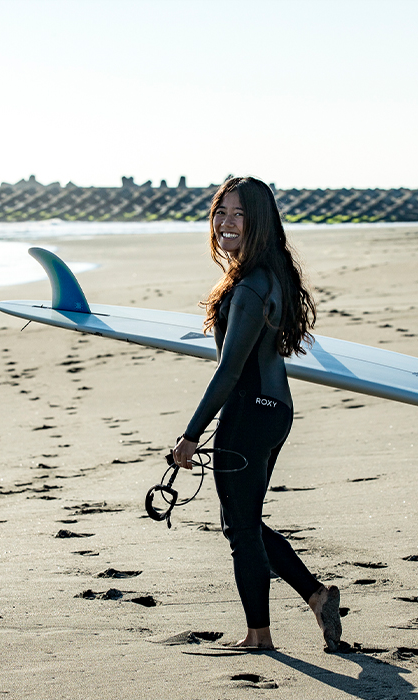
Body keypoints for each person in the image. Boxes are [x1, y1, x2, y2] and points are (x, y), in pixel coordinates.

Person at [172, 176, 342, 651]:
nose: (225, 222)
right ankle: (315, 595)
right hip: (275, 411)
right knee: (242, 520)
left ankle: (259, 636)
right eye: (220, 212)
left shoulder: (249, 287)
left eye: (238, 214)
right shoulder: (273, 275)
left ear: (258, 222)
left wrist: (190, 435)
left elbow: (228, 372)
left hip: (247, 412)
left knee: (241, 527)